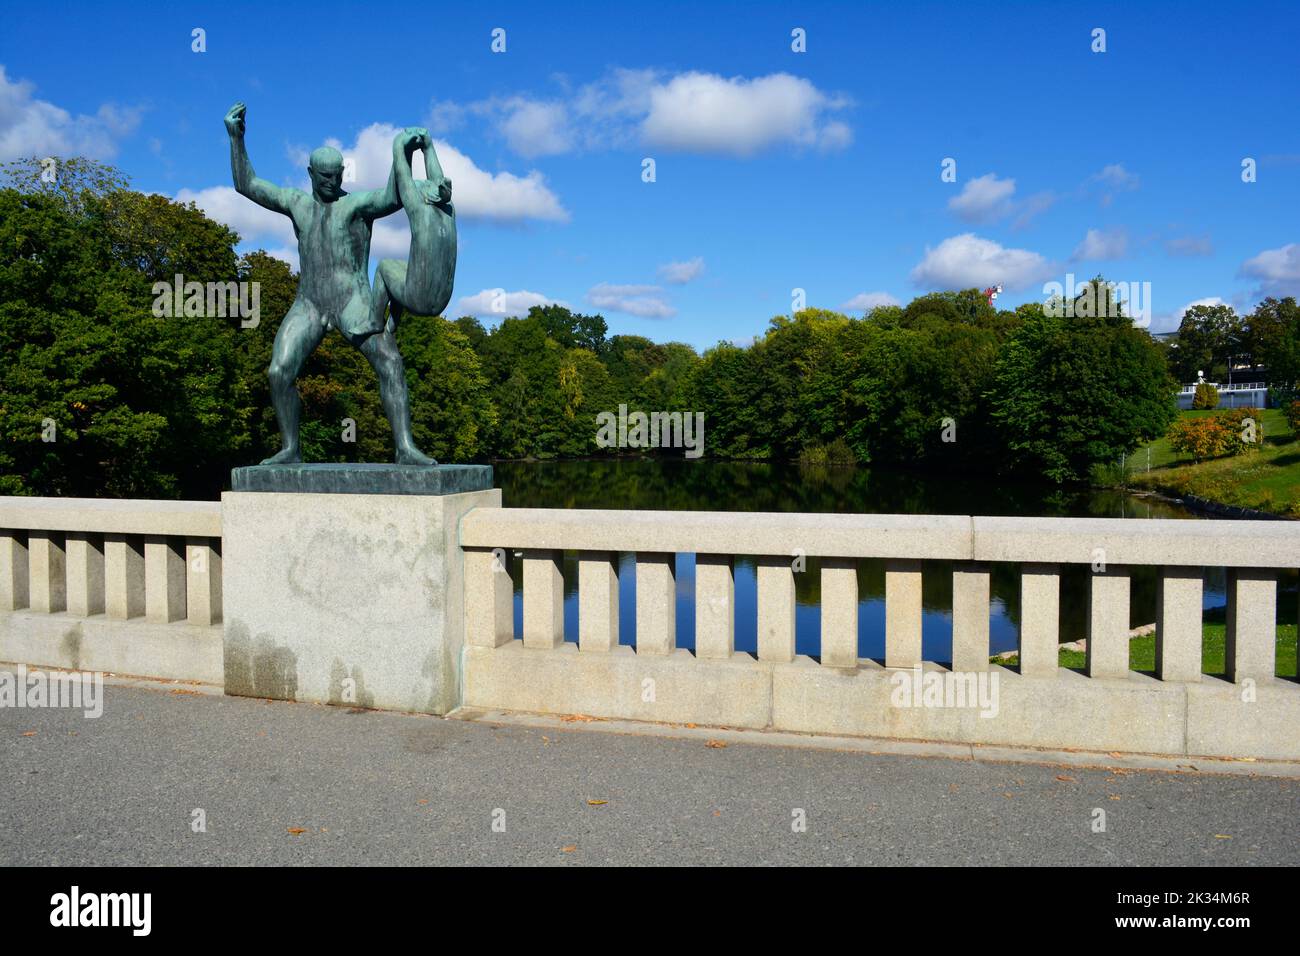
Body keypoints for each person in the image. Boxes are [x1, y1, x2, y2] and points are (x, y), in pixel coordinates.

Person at [224, 102, 436, 465]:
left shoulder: (355, 206)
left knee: (390, 363)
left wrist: (403, 154)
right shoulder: (297, 204)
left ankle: (405, 447)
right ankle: (291, 449)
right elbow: (247, 185)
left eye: (337, 175)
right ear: (310, 173)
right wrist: (236, 139)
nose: (331, 182)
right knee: (278, 372)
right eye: (324, 176)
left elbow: (392, 196)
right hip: (309, 304)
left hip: (352, 301)